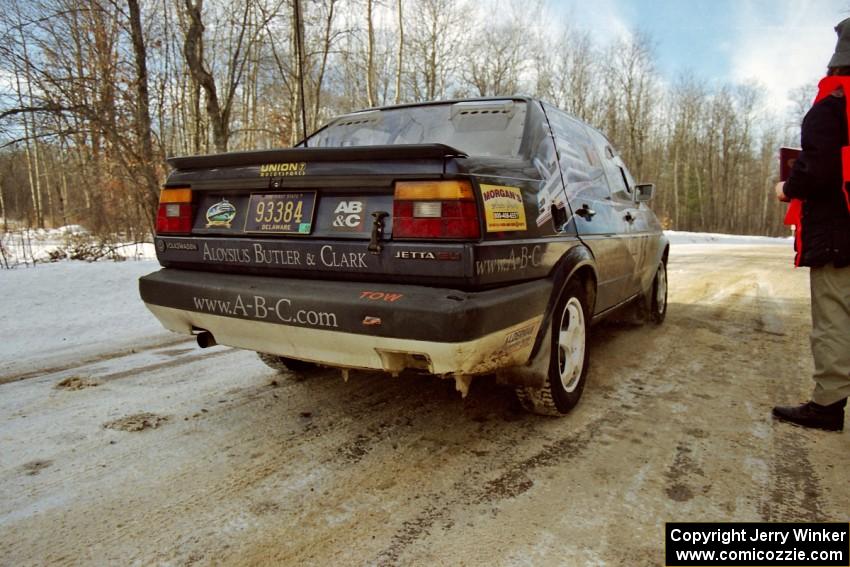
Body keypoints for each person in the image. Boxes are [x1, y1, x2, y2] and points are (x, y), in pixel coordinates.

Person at [772, 18, 850, 432]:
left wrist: (788, 186)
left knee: (835, 317)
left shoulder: (832, 107)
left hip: (840, 235)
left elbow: (819, 172)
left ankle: (827, 405)